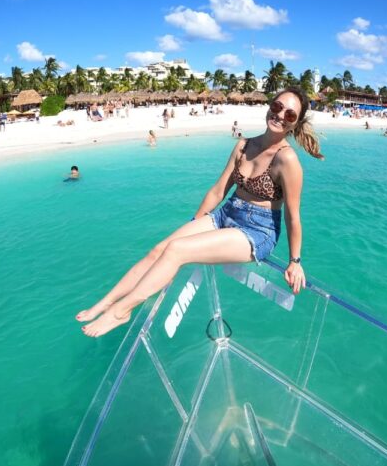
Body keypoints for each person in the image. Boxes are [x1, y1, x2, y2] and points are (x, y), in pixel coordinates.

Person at [77, 86, 323, 338]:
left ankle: (122, 311)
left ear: (294, 124)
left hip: (257, 230)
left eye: (290, 115)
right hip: (226, 214)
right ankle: (107, 302)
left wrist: (295, 262)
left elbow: (293, 216)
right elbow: (218, 191)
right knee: (160, 248)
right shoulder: (243, 145)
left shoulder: (287, 160)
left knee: (177, 250)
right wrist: (195, 223)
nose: (280, 115)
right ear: (270, 106)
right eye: (277, 107)